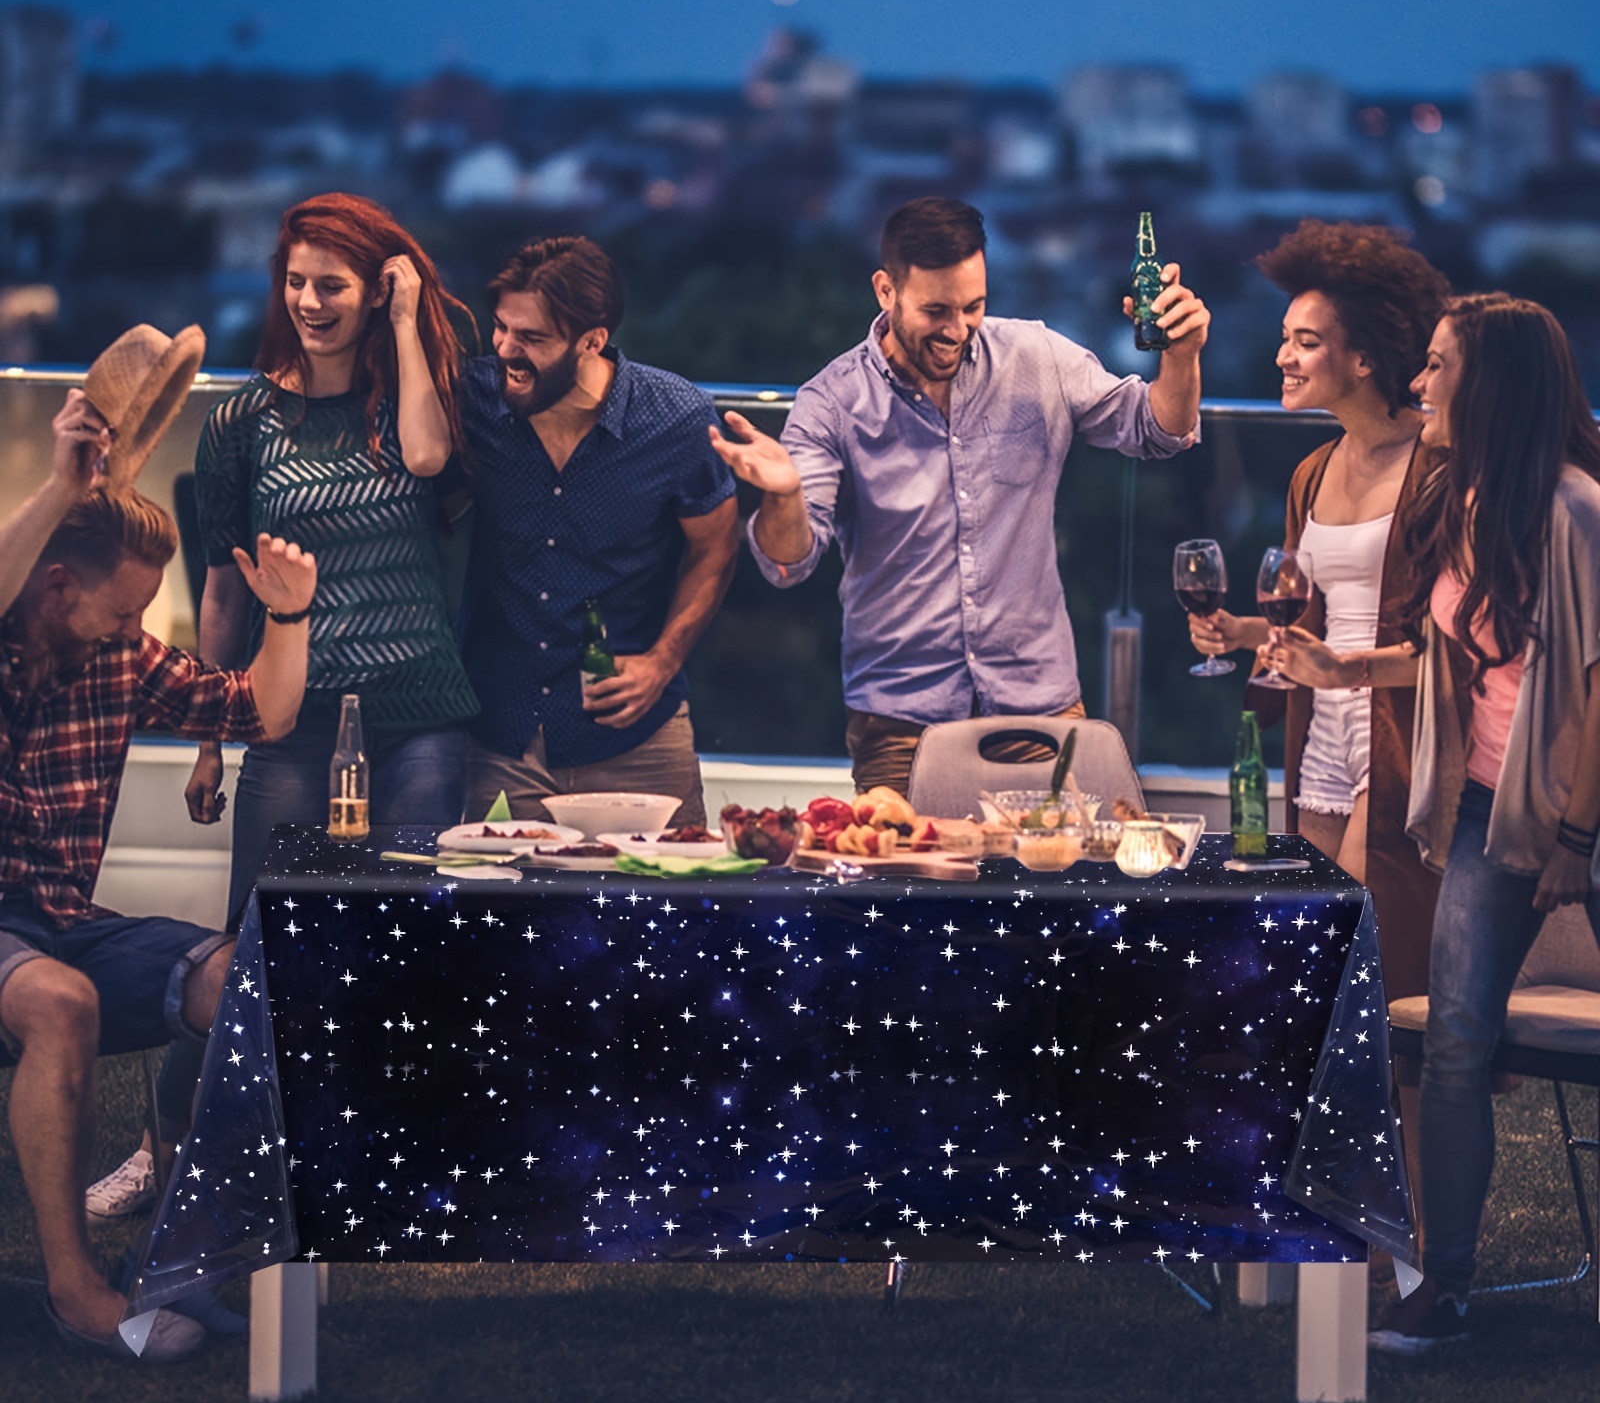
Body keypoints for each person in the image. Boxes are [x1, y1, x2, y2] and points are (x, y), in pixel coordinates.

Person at [1264, 294, 1600, 1351]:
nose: (1419, 382)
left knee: (1453, 1042)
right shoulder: (1468, 501)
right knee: (1450, 1041)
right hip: (1483, 810)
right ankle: (1441, 1288)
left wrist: (1575, 838)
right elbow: (1454, 654)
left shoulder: (1573, 510)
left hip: (1571, 815)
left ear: (1486, 384)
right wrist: (1341, 665)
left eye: (1439, 366)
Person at [0, 388, 317, 1360]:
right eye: (126, 604)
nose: (142, 621)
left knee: (250, 980)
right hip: (16, 938)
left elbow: (262, 712)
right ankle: (74, 1289)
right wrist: (61, 482)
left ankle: (184, 1259)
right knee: (58, 1000)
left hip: (62, 914)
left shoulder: (122, 659)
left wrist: (290, 614)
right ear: (55, 586)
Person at [712, 196, 1209, 795]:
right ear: (885, 292)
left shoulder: (1037, 357)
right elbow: (786, 562)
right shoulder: (832, 404)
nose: (957, 329)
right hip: (900, 722)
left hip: (1038, 705)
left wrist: (1182, 356)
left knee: (1062, 882)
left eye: (973, 306)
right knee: (905, 885)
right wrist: (785, 494)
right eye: (936, 310)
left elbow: (1159, 431)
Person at [184, 192, 479, 928]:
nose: (308, 302)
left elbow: (427, 455)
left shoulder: (413, 401)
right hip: (288, 722)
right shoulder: (241, 425)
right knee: (262, 941)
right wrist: (209, 740)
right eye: (294, 281)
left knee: (408, 940)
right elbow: (222, 595)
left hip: (421, 716)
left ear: (375, 292)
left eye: (331, 285)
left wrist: (406, 319)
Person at [1188, 220, 1451, 1001]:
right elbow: (1307, 616)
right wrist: (1244, 635)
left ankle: (1404, 1124)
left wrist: (1343, 666)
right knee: (1315, 960)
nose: (1282, 358)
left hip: (1399, 732)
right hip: (1323, 734)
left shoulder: (1439, 463)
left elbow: (1461, 641)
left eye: (1305, 342)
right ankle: (1332, 1128)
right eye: (1284, 338)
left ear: (1365, 357)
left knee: (1377, 962)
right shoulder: (1314, 469)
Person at [456, 235, 740, 826]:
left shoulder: (675, 418)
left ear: (592, 341)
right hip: (500, 735)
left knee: (677, 913)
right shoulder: (472, 401)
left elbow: (715, 547)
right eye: (501, 327)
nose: (506, 349)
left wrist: (663, 660)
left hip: (637, 739)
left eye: (531, 338)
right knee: (495, 916)